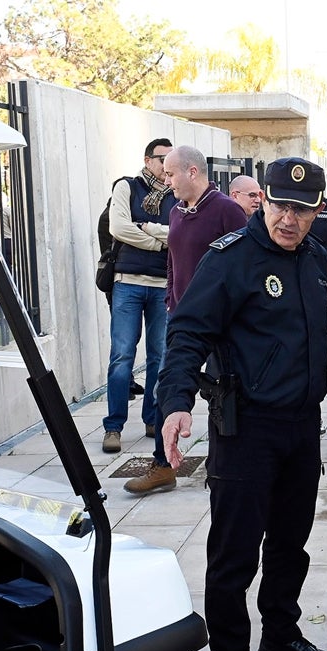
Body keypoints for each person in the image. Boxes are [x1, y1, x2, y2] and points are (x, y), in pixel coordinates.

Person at [155, 157, 327, 651]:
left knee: (290, 544)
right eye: (280, 205)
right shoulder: (231, 258)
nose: (289, 219)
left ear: (316, 213)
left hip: (301, 427)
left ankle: (279, 637)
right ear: (263, 201)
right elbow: (186, 332)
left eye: (302, 210)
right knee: (233, 558)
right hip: (247, 429)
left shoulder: (314, 256)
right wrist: (176, 403)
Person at [124, 146, 247, 495]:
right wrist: (169, 298)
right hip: (181, 321)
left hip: (221, 325)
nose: (166, 181)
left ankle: (226, 459)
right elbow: (173, 260)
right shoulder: (176, 211)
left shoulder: (227, 211)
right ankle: (163, 465)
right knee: (171, 389)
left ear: (192, 172)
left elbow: (244, 263)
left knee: (225, 391)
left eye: (170, 174)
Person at [100, 138, 176, 454]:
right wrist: (158, 242)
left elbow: (180, 233)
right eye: (163, 159)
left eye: (173, 160)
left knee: (159, 355)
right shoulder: (127, 187)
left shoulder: (177, 194)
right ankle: (114, 427)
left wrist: (149, 230)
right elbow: (120, 228)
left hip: (162, 285)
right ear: (148, 161)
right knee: (122, 356)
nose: (168, 166)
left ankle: (152, 418)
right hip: (127, 283)